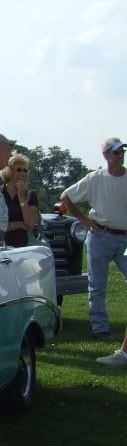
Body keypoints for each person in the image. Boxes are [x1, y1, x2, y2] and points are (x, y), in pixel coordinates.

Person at [60, 137, 127, 341]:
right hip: (100, 237)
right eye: (116, 152)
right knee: (97, 286)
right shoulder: (94, 178)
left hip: (125, 237)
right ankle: (100, 329)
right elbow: (65, 196)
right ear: (106, 155)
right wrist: (84, 220)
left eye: (122, 151)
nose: (120, 155)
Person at [0, 154, 40, 247]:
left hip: (24, 247)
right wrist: (18, 224)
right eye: (18, 170)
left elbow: (31, 224)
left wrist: (22, 197)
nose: (23, 173)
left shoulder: (30, 195)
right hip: (0, 246)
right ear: (8, 171)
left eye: (25, 170)